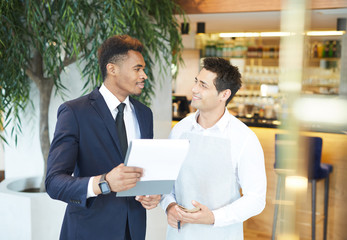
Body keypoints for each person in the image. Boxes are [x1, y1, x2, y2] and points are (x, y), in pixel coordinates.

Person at [46, 35, 161, 240]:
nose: (144, 75)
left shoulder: (145, 114)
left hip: (133, 230)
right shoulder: (74, 112)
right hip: (89, 230)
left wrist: (152, 194)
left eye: (143, 69)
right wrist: (104, 182)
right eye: (137, 68)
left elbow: (144, 170)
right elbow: (54, 183)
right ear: (112, 69)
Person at [160, 57, 267, 240]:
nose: (194, 89)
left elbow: (256, 199)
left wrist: (214, 217)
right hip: (179, 234)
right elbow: (166, 183)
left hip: (222, 234)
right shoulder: (180, 130)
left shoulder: (244, 138)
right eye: (196, 82)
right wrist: (169, 206)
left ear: (224, 95)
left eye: (203, 85)